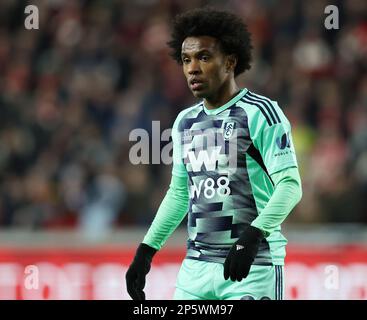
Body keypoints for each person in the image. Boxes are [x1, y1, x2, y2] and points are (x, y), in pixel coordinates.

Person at [125, 7, 302, 300]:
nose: (192, 68)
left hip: (251, 268)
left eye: (204, 57)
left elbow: (290, 187)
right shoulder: (185, 122)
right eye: (186, 60)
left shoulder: (260, 113)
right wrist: (146, 249)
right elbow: (181, 194)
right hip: (195, 271)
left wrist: (254, 234)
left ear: (230, 61)